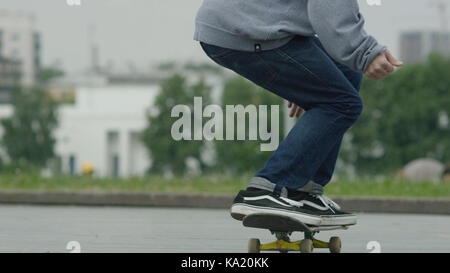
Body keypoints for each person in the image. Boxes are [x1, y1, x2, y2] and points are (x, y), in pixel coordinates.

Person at [194, 0, 402, 226]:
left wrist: (306, 86)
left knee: (347, 72)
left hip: (250, 19)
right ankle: (268, 188)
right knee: (341, 103)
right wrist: (365, 51)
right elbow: (329, 8)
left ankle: (304, 190)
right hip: (247, 26)